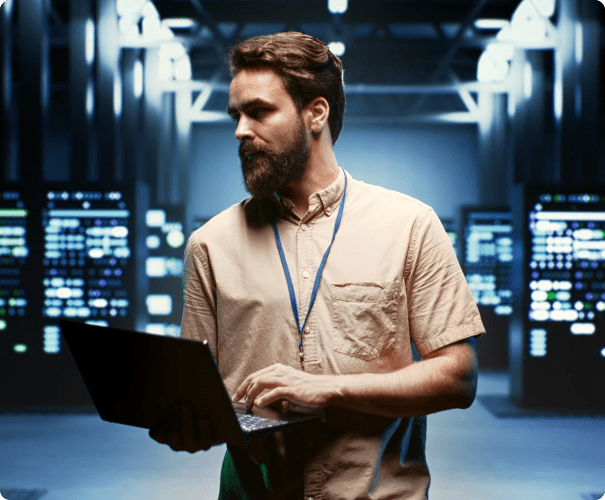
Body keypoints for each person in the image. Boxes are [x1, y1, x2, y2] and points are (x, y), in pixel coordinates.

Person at [150, 31, 485, 500]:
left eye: (259, 111)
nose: (240, 130)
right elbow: (199, 396)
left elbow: (458, 376)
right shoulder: (209, 245)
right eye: (236, 115)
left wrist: (328, 390)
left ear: (316, 113)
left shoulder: (410, 225)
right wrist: (187, 424)